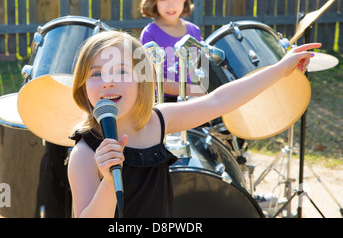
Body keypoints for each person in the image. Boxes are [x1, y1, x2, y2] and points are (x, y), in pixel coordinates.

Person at [67, 30, 320, 218]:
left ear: (141, 81)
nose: (107, 81)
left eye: (120, 71)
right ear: (83, 85)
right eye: (96, 73)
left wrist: (280, 68)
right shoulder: (85, 154)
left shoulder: (156, 121)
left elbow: (220, 100)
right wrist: (109, 182)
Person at [139, 0, 205, 101]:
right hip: (163, 104)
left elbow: (201, 69)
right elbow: (151, 80)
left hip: (193, 100)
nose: (171, 6)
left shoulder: (194, 31)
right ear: (154, 0)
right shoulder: (149, 34)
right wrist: (190, 91)